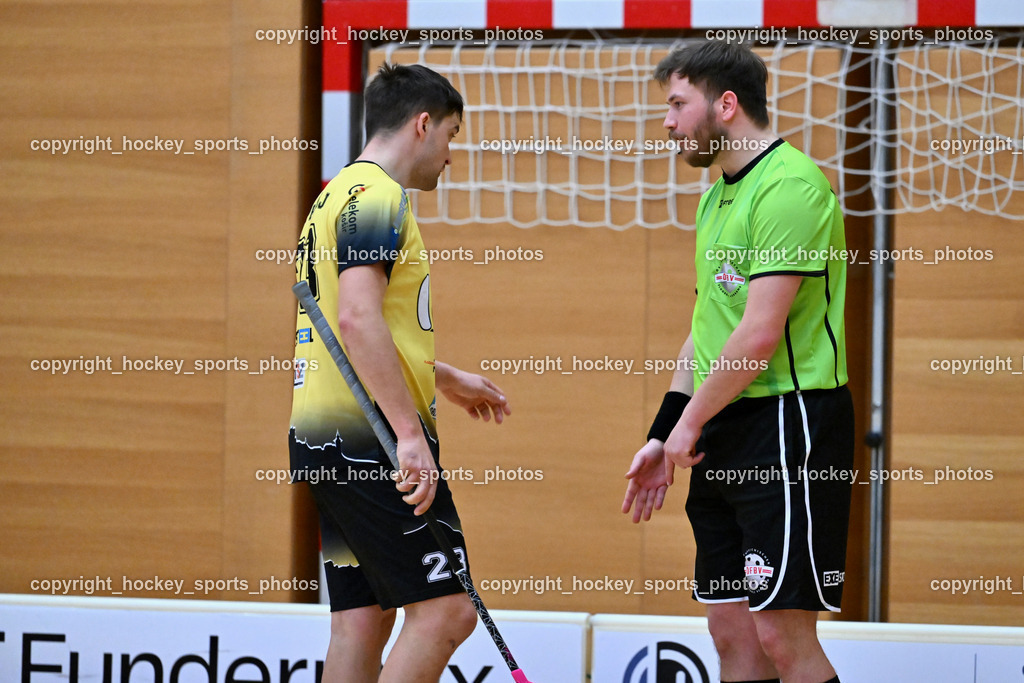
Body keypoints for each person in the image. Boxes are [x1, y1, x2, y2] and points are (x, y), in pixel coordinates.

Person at [622, 40, 853, 683]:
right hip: (721, 423)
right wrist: (664, 431)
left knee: (782, 635)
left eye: (678, 104)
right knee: (731, 634)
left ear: (725, 105)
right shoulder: (715, 197)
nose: (667, 121)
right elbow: (706, 334)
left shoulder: (790, 187)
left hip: (787, 425)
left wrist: (689, 424)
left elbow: (757, 337)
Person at [289, 62, 511, 683]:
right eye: (451, 135)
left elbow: (351, 327)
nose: (450, 155)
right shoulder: (379, 197)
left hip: (325, 436)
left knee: (361, 622)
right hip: (370, 438)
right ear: (422, 124)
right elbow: (358, 319)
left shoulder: (336, 195)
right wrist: (409, 436)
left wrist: (442, 376)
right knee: (448, 612)